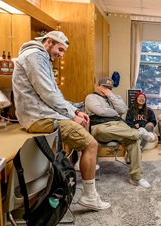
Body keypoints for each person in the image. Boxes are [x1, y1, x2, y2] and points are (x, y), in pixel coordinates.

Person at [12, 31, 111, 210]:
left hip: (42, 113)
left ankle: (83, 163)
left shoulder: (42, 57)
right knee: (91, 144)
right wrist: (72, 115)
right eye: (60, 49)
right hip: (38, 116)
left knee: (84, 119)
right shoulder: (35, 56)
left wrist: (75, 111)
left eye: (64, 51)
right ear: (49, 42)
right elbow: (48, 94)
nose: (61, 55)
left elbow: (55, 94)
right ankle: (90, 197)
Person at [84, 78, 153, 188]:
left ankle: (136, 178)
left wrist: (110, 95)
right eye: (106, 87)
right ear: (98, 86)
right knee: (102, 131)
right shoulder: (91, 97)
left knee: (133, 140)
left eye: (110, 88)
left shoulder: (115, 97)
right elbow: (100, 111)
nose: (108, 90)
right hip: (100, 126)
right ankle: (139, 133)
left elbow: (123, 109)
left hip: (119, 125)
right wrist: (115, 113)